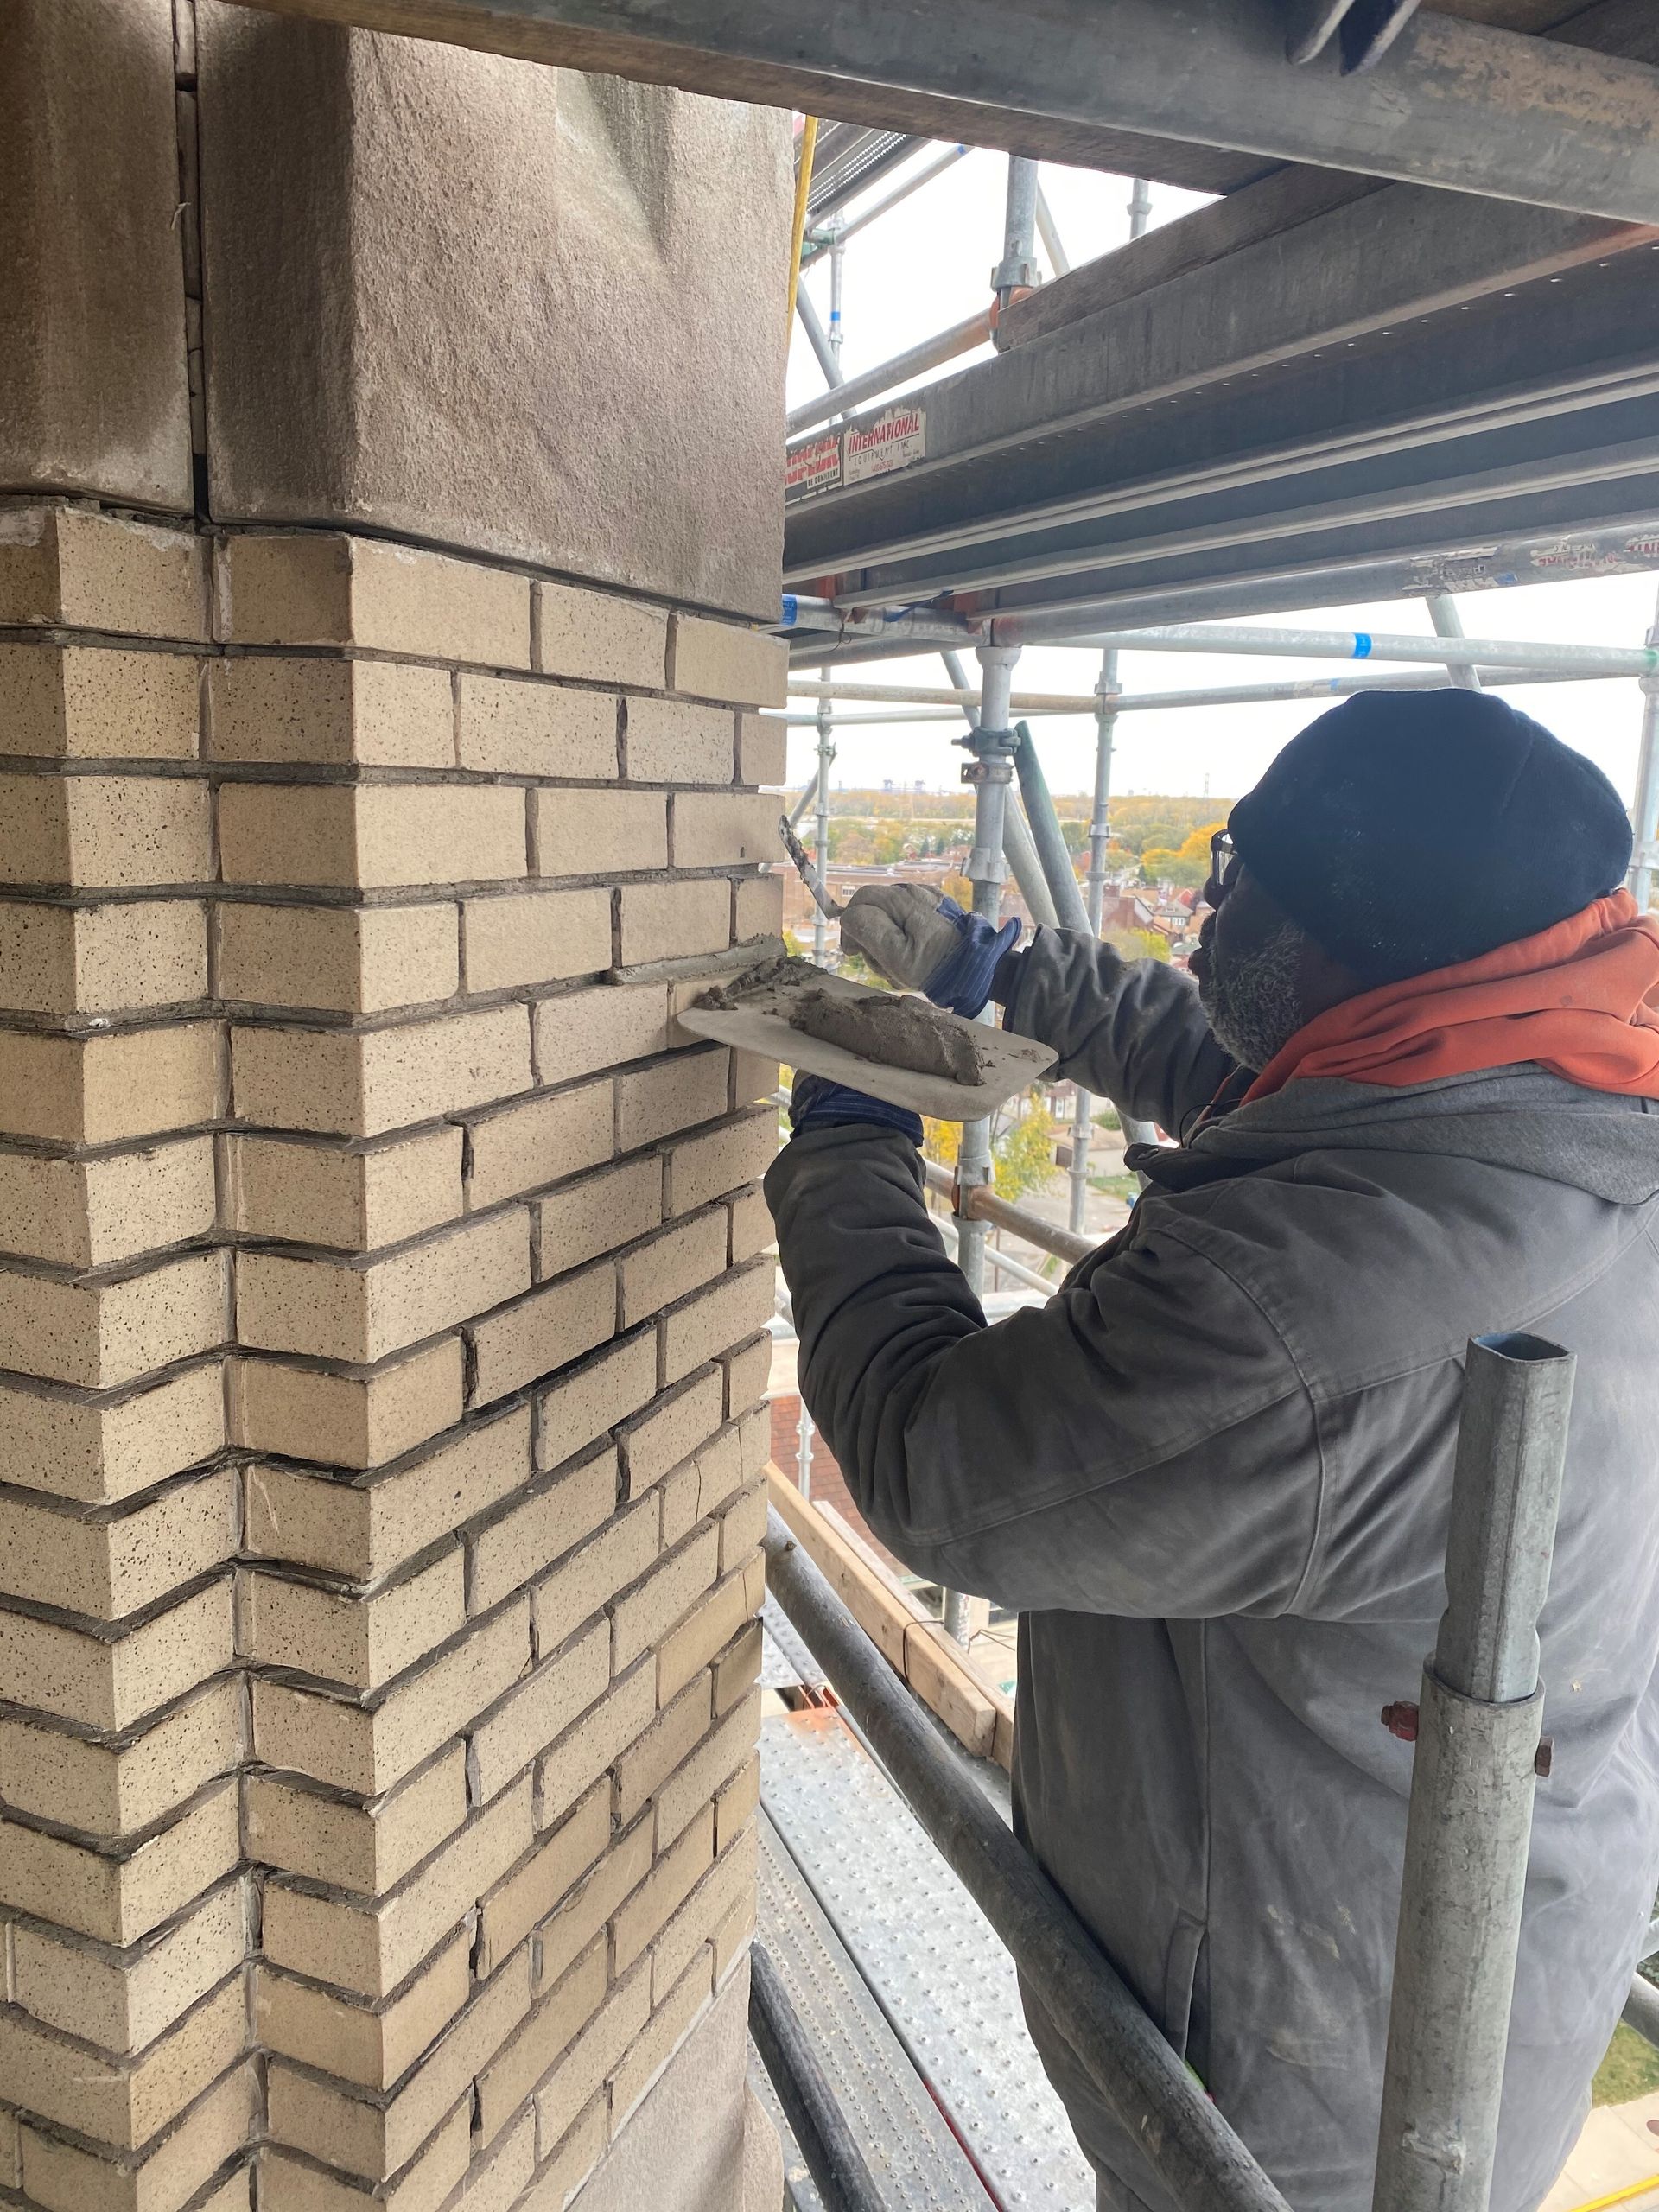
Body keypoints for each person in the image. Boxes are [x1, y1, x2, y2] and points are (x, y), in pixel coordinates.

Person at [764, 689, 1659, 2212]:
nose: (1202, 897)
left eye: (1235, 874)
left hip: (1316, 2070)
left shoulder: (1302, 1315)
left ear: (1326, 941)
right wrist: (1028, 977)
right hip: (1466, 1915)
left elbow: (940, 1462)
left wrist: (850, 1140)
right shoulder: (1550, 1070)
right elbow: (1278, 1076)